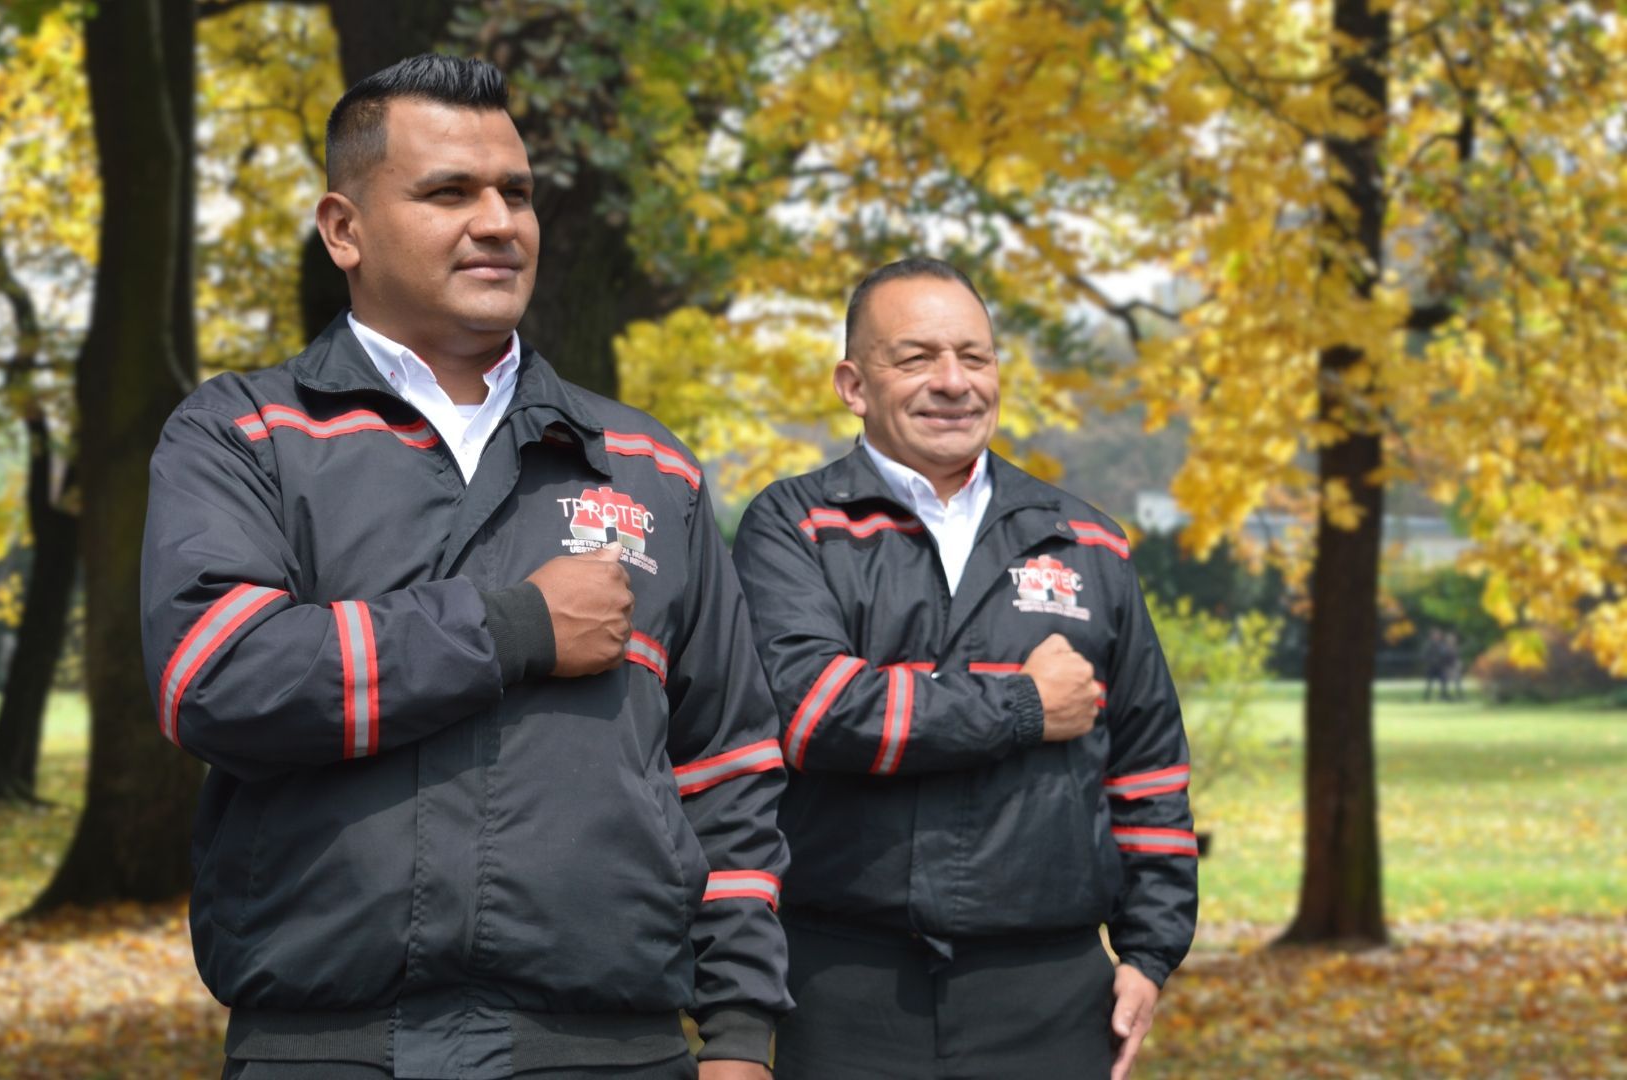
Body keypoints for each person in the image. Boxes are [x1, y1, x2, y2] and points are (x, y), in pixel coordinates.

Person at [141, 55, 788, 1080]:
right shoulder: (245, 434)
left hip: (608, 1051)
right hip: (330, 1045)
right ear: (344, 228)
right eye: (449, 192)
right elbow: (215, 676)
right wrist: (515, 628)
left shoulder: (651, 467)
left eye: (516, 194)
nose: (499, 222)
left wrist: (743, 1035)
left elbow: (728, 766)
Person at [731, 259, 1198, 1080]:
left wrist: (1151, 950)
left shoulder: (1086, 541)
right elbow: (814, 712)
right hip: (844, 983)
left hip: (1049, 989)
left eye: (974, 358)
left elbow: (1149, 764)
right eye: (916, 359)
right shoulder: (795, 523)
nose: (953, 383)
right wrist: (1022, 703)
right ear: (853, 383)